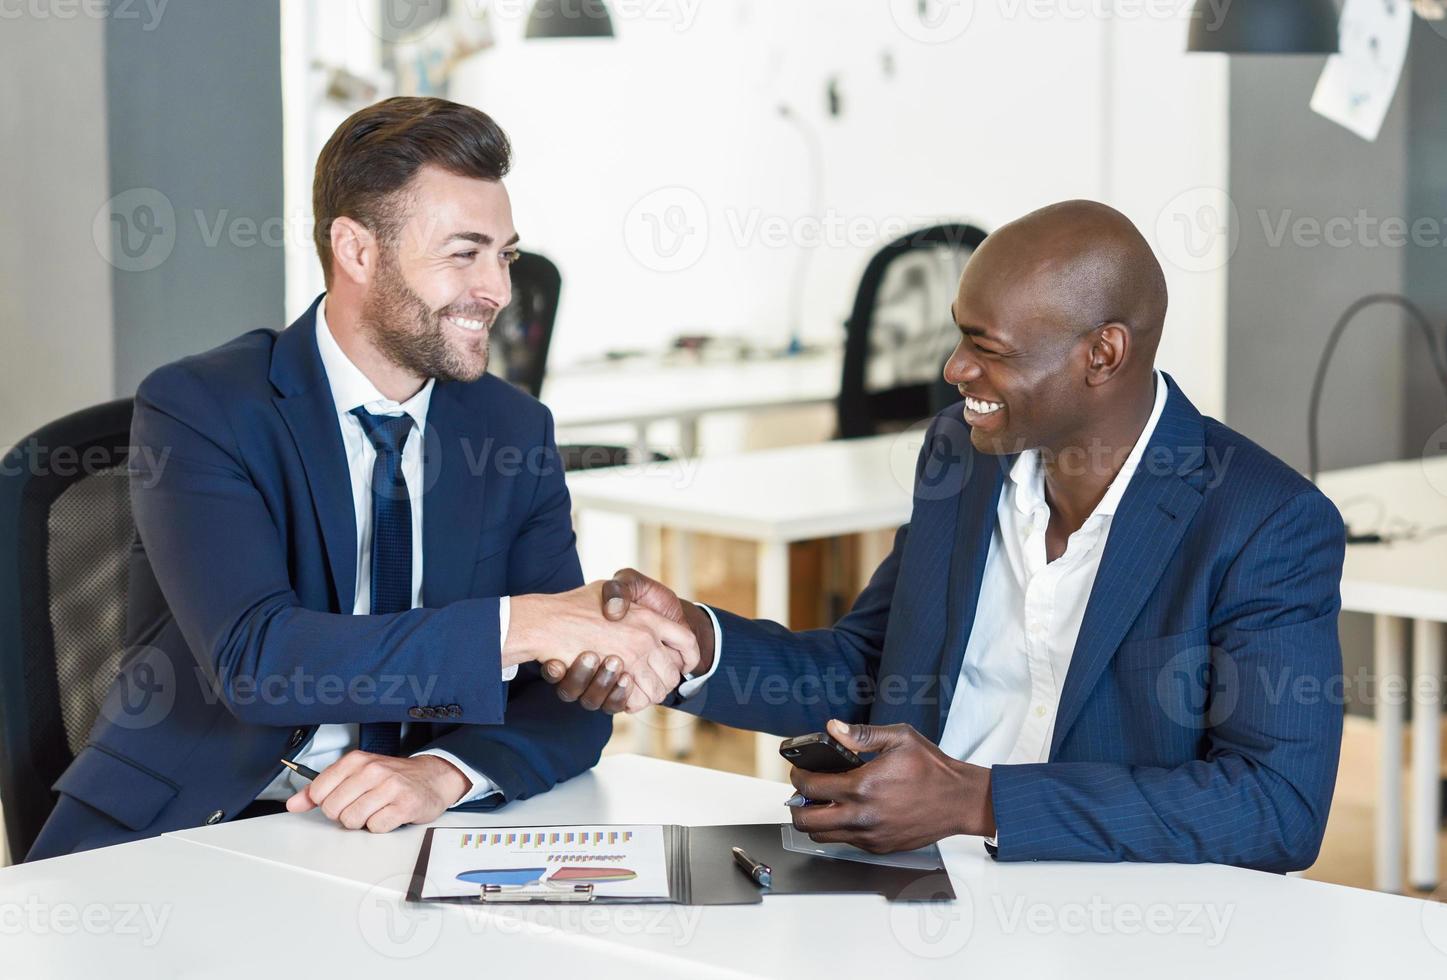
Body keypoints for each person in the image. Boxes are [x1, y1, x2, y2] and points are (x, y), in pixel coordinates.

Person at [549, 200, 1347, 871]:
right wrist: (699, 644)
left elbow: (1275, 808)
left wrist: (978, 801)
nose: (954, 371)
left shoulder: (1262, 521)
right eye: (960, 337)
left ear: (1101, 355)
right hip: (903, 875)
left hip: (1103, 904)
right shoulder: (960, 454)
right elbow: (875, 668)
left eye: (987, 349)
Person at [28, 97, 696, 861]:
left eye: (504, 254)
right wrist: (525, 624)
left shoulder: (511, 430)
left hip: (403, 833)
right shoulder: (203, 408)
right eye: (463, 253)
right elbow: (257, 659)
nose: (499, 290)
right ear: (356, 251)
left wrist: (441, 772)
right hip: (199, 825)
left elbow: (559, 698)